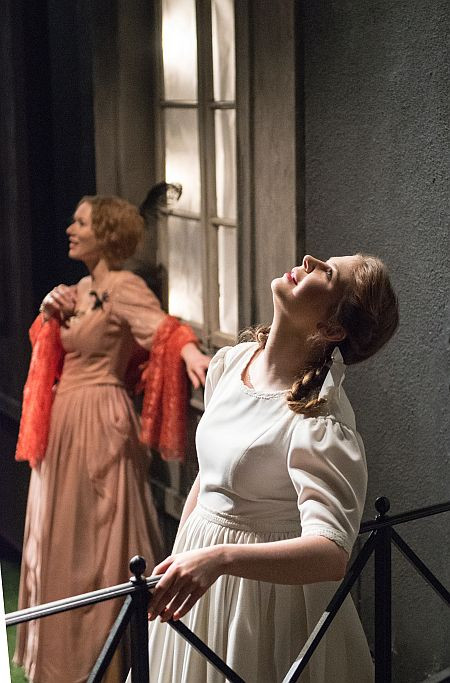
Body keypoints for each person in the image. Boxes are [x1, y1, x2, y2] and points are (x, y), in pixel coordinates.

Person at [141, 253, 399, 682]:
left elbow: (331, 553)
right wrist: (180, 559)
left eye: (327, 273)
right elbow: (209, 478)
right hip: (200, 585)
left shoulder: (320, 420)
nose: (309, 260)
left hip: (261, 607)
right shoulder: (231, 364)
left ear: (332, 329)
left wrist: (221, 559)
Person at [13, 193, 210, 682]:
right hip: (64, 422)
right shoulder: (78, 289)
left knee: (103, 539)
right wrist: (48, 313)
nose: (70, 229)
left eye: (81, 223)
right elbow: (49, 355)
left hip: (100, 420)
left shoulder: (124, 287)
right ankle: (66, 662)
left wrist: (193, 356)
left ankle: (112, 659)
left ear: (105, 232)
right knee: (63, 538)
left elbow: (164, 330)